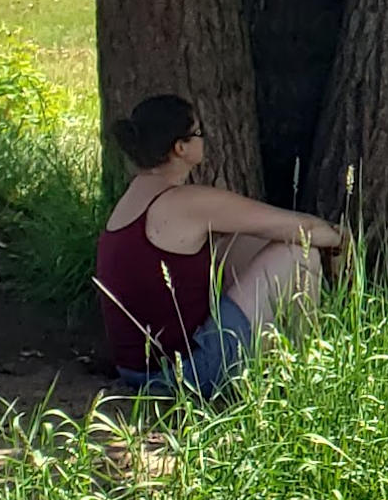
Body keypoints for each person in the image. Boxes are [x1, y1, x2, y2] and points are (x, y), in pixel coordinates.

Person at [95, 95, 345, 395]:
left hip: (135, 371)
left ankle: (281, 363)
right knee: (296, 252)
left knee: (244, 244)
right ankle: (306, 371)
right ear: (180, 148)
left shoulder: (135, 196)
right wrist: (341, 238)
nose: (204, 140)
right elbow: (302, 229)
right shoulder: (186, 202)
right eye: (199, 133)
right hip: (187, 375)